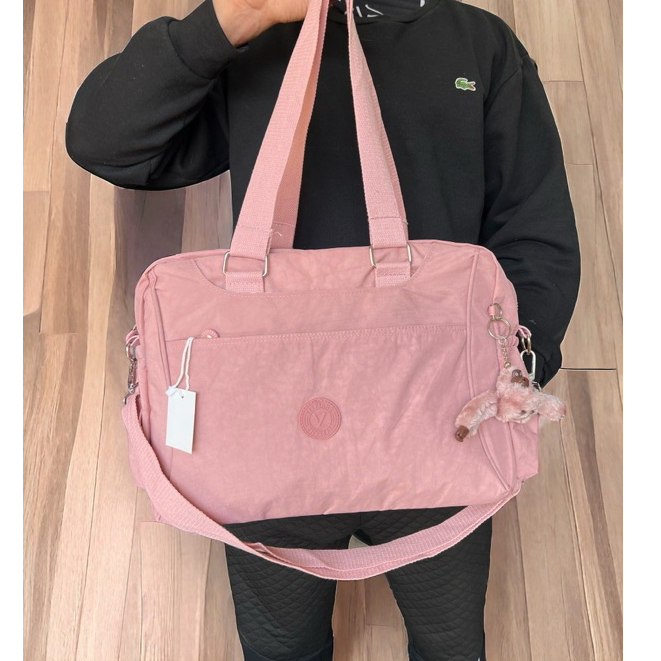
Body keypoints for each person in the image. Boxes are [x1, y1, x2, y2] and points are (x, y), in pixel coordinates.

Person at [65, 0, 581, 659]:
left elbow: (534, 229)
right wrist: (225, 23)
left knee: (450, 644)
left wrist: (514, 366)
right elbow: (105, 143)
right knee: (284, 647)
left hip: (440, 420)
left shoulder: (476, 43)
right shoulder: (255, 35)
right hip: (269, 431)